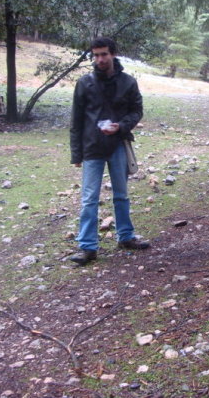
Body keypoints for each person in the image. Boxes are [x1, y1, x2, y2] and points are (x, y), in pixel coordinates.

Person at [69, 37, 150, 265]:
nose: (100, 59)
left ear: (113, 54)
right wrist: (76, 154)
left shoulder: (128, 82)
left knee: (121, 195)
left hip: (118, 145)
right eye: (96, 55)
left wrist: (121, 126)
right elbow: (76, 120)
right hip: (92, 148)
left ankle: (125, 236)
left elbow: (137, 111)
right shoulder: (84, 83)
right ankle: (87, 247)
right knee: (89, 199)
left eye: (104, 54)